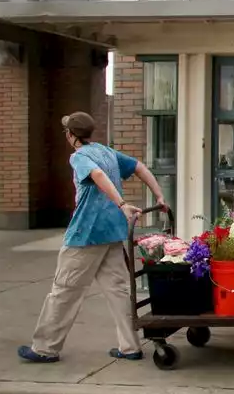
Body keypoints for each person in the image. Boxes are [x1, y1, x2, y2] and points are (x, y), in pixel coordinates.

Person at [17, 112, 165, 363]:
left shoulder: (80, 157)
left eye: (67, 131)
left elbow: (97, 176)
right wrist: (159, 196)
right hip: (113, 232)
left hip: (86, 234)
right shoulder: (106, 152)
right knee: (118, 290)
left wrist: (121, 203)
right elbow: (139, 166)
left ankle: (45, 348)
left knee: (65, 290)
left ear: (72, 135)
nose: (66, 134)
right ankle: (130, 347)